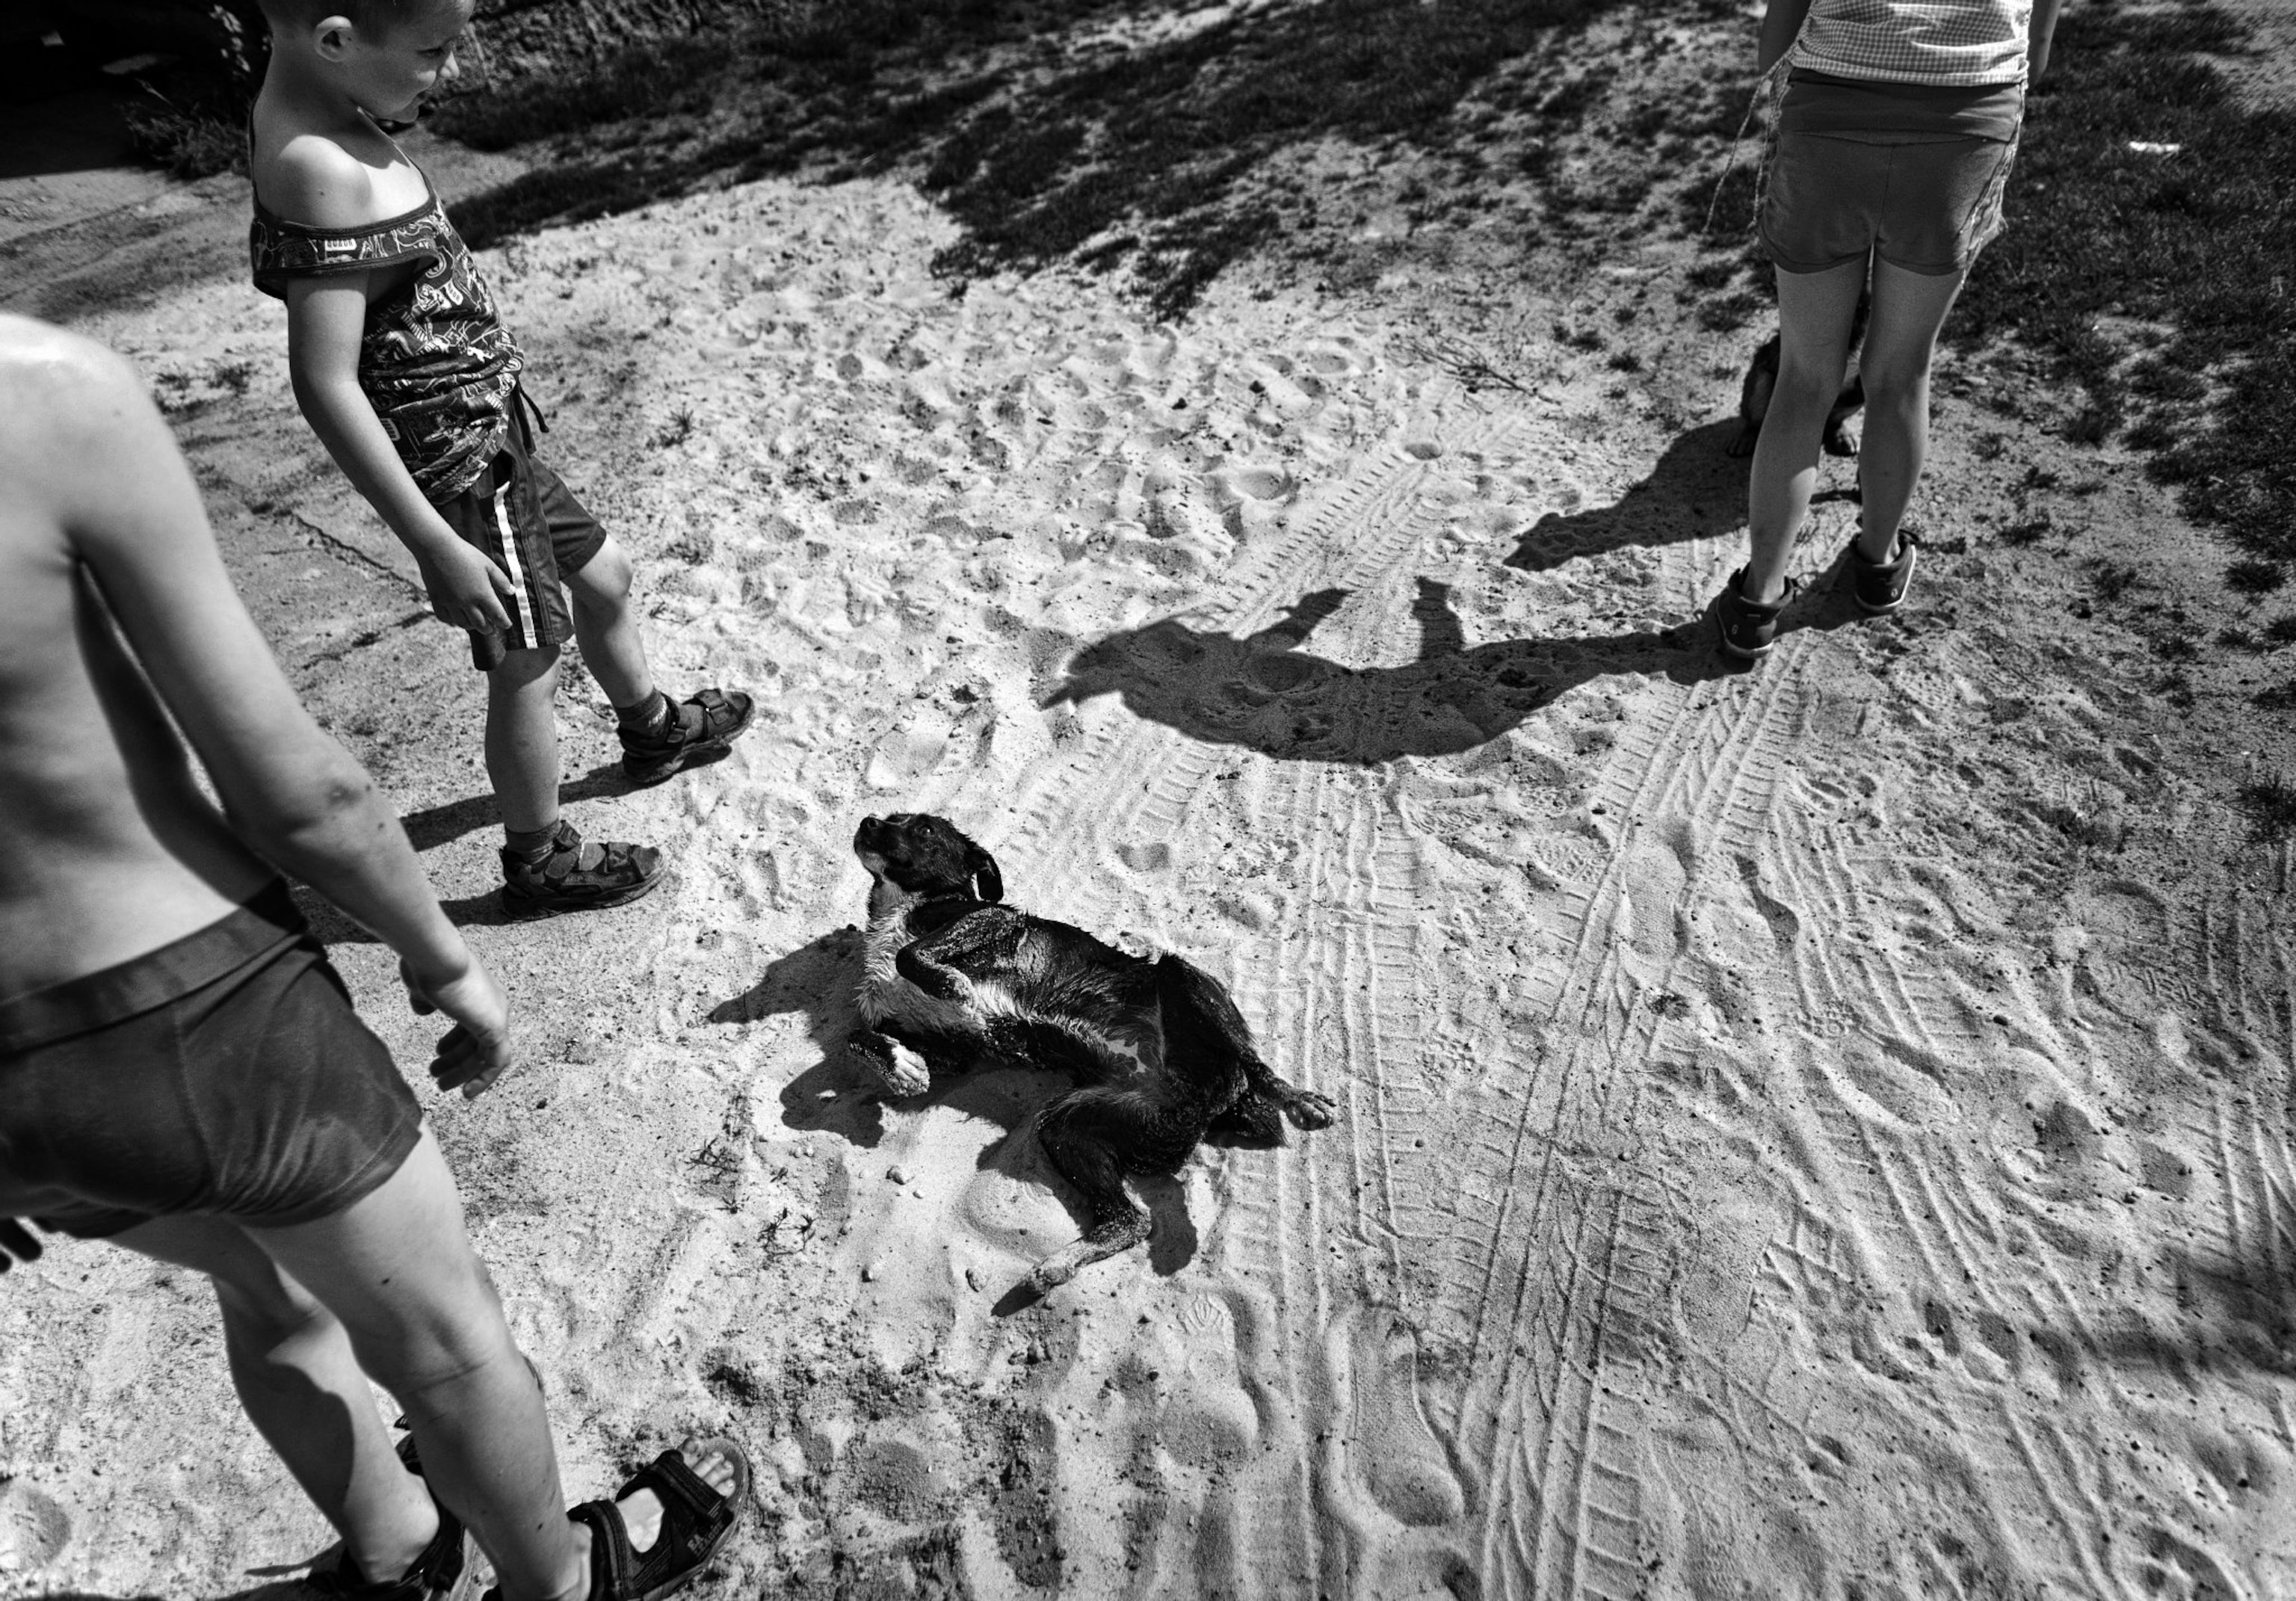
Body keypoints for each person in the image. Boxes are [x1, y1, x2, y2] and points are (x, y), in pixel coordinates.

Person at [0, 315, 747, 1600]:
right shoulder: (44, 396)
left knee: (262, 1289)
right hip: (188, 1002)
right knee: (446, 1346)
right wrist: (437, 950)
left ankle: (397, 1550)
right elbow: (302, 795)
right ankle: (563, 1576)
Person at [247, 0, 756, 915]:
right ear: (334, 42)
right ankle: (540, 855)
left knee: (606, 578)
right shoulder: (317, 169)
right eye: (434, 51)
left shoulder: (330, 110)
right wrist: (433, 544)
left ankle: (650, 730)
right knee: (528, 656)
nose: (448, 69)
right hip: (463, 469)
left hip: (494, 437)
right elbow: (325, 382)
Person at [1715, 0, 2065, 659]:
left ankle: (1756, 601)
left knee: (1804, 378)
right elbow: (2036, 55)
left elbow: (1773, 51)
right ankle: (1878, 565)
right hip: (1967, 121)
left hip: (1830, 120)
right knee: (1903, 371)